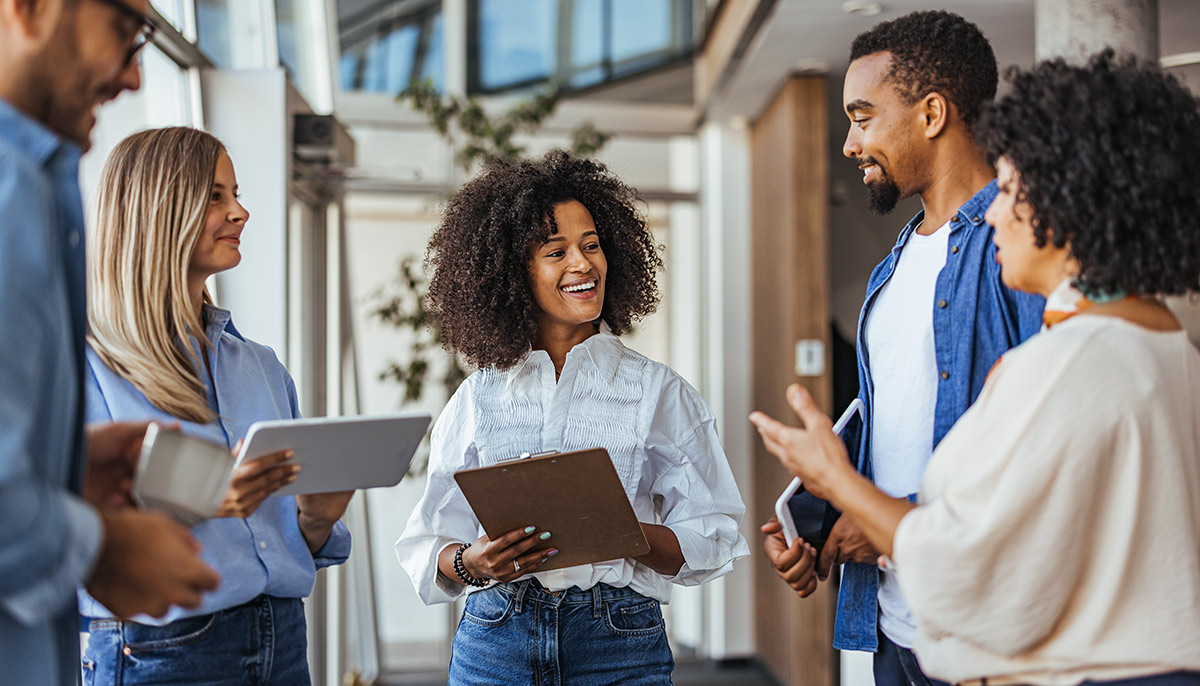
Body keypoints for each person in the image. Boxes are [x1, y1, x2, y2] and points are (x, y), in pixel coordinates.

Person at [752, 51, 1200, 685]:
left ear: (1070, 207)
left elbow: (973, 566)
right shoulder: (1171, 350)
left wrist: (836, 478)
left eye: (1011, 190)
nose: (994, 211)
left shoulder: (1065, 363)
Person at [759, 11, 1044, 684]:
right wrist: (821, 517)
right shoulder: (892, 267)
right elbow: (897, 424)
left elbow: (1049, 440)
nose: (851, 144)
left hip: (981, 627)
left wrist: (899, 519)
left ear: (933, 113)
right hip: (889, 620)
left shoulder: (1021, 247)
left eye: (863, 117)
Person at [395, 150, 748, 685]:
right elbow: (427, 541)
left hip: (618, 640)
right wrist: (474, 562)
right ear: (516, 273)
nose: (582, 264)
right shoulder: (478, 396)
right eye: (556, 251)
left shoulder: (659, 391)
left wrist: (624, 533)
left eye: (591, 246)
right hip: (497, 636)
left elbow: (715, 533)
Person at [80, 126, 355, 686]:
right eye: (216, 196)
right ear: (158, 209)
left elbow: (284, 541)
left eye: (236, 193)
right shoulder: (87, 367)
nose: (242, 212)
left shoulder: (260, 366)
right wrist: (200, 498)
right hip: (161, 650)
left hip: (281, 636)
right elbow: (58, 528)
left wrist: (318, 518)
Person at [0, 2, 220, 683]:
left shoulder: (32, 183)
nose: (133, 76)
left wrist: (63, 468)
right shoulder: (8, 189)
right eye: (126, 28)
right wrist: (101, 549)